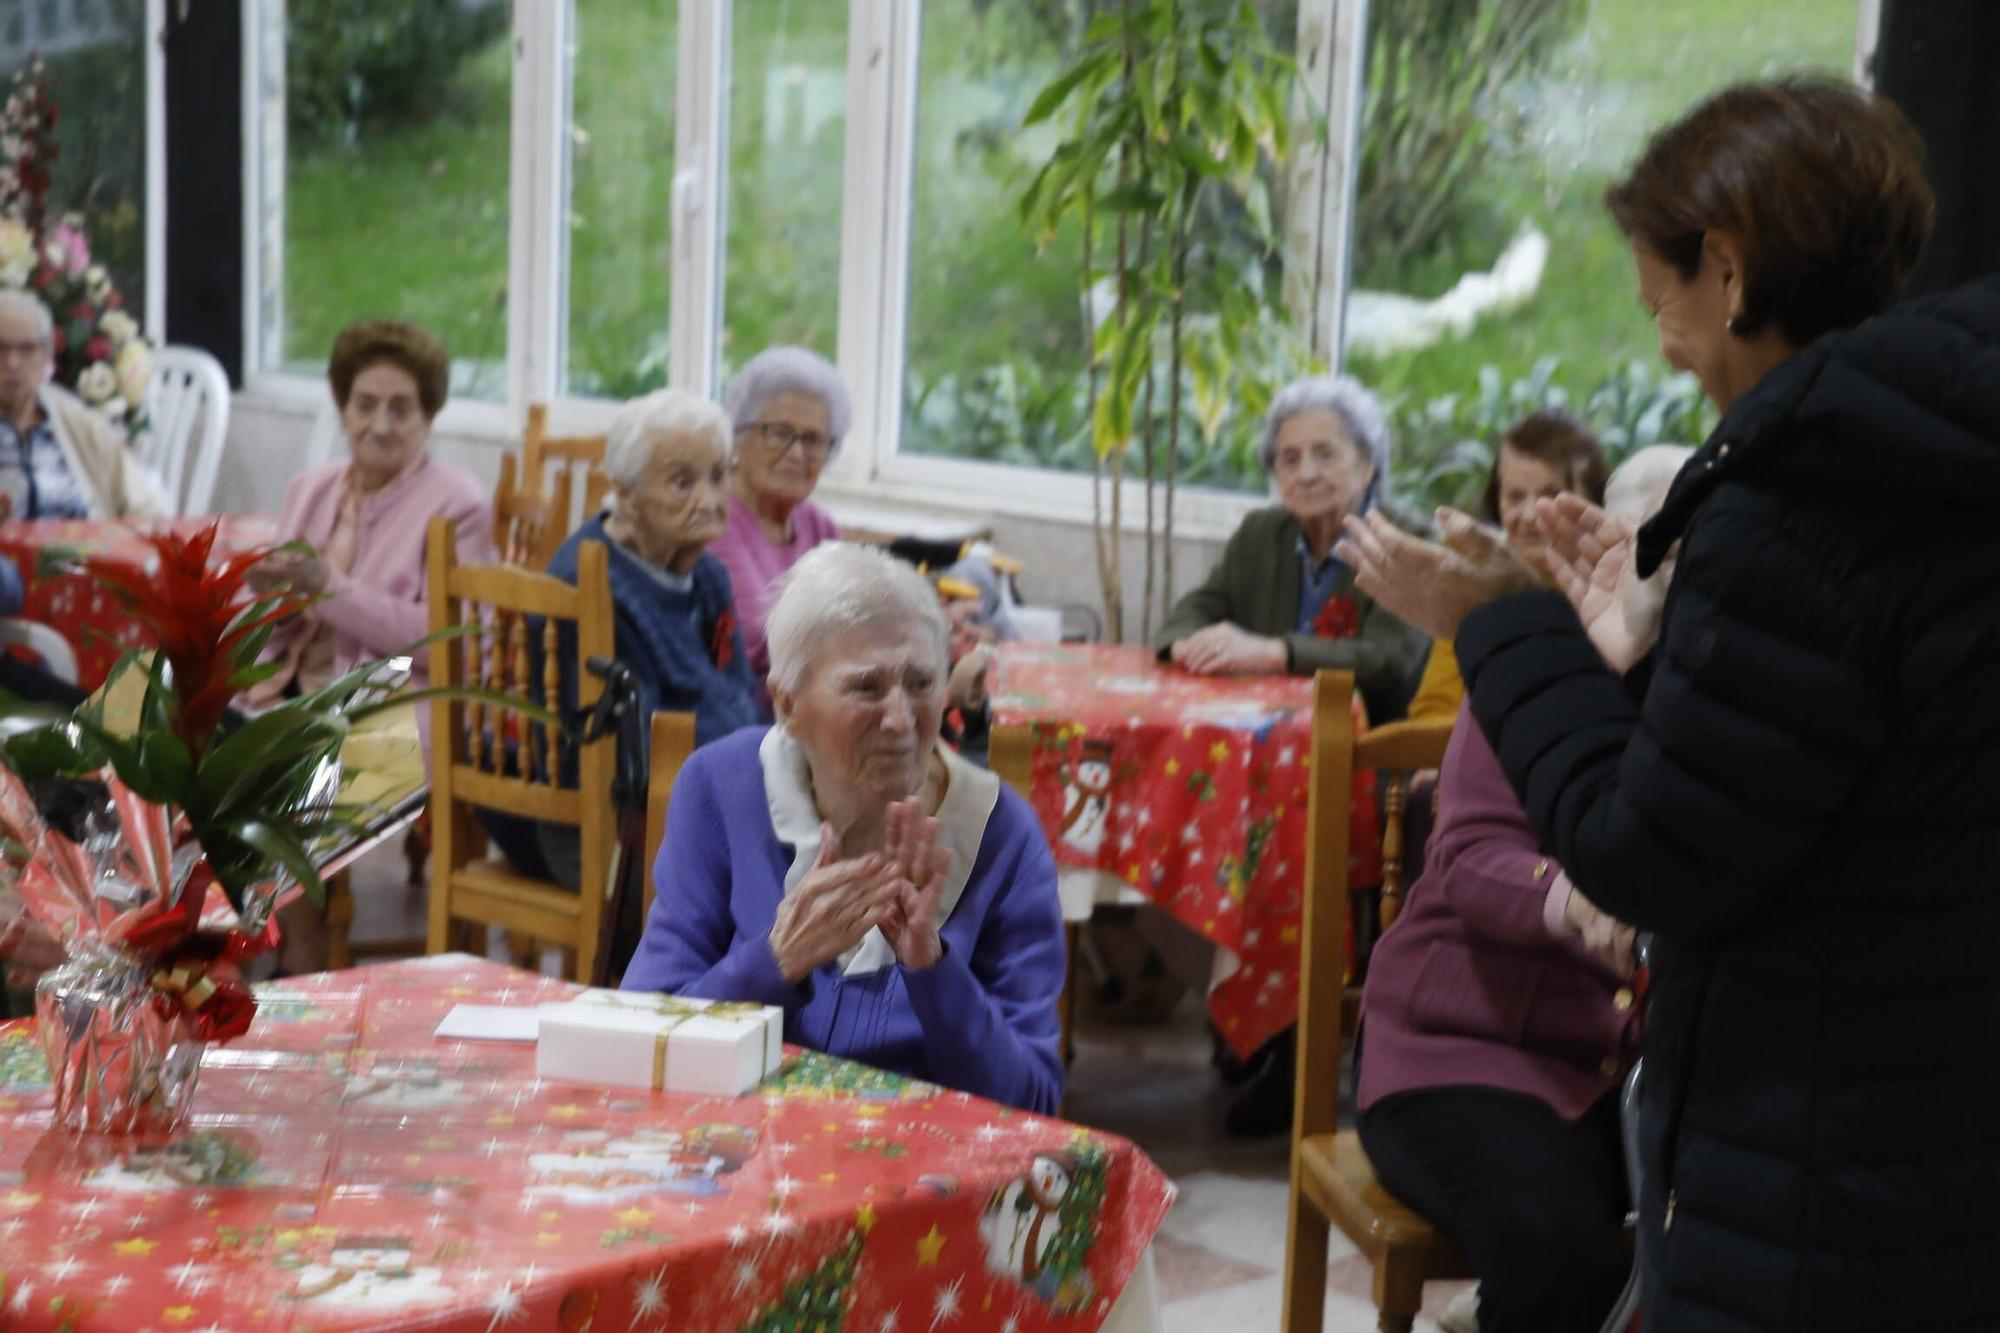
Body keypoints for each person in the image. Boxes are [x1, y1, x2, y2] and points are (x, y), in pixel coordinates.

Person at [1336, 78, 2000, 1331]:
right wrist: (1648, 658)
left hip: (1817, 1147)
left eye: (1661, 302)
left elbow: (1653, 858)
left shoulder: (1798, 500)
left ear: (1731, 272)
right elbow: (1822, 778)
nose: (1660, 345)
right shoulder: (1943, 468)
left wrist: (1500, 622)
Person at [1355, 447, 1687, 1333]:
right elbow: (1467, 856)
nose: (1681, 573)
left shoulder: (1725, 684)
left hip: (1633, 1070)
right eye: (1663, 548)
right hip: (1466, 1050)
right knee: (1558, 1255)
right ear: (1613, 550)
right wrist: (1577, 899)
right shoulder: (1551, 658)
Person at [622, 542, 1065, 1114]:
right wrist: (774, 960)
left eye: (921, 683)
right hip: (740, 1151)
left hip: (916, 1171)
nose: (902, 719)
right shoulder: (721, 786)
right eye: (866, 687)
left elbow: (1032, 1104)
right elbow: (643, 1033)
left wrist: (932, 970)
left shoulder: (1002, 837)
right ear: (787, 704)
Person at [244, 319, 494, 973]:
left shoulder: (459, 504)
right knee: (189, 747)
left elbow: (448, 643)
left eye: (401, 407)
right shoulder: (312, 488)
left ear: (429, 415)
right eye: (365, 404)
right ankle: (223, 944)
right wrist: (267, 602)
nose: (381, 423)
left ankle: (299, 948)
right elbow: (274, 626)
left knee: (287, 773)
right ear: (342, 407)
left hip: (402, 706)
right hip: (296, 693)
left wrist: (330, 587)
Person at [519, 388, 761, 888]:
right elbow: (632, 760)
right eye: (682, 483)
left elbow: (740, 700)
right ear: (626, 495)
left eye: (719, 477)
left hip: (697, 806)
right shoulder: (592, 586)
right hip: (608, 835)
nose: (712, 501)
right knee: (782, 886)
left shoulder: (709, 573)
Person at [1154, 374, 1428, 724]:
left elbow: (1387, 660)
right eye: (1290, 459)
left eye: (1325, 455)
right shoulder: (1261, 532)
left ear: (1366, 466)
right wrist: (1188, 646)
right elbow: (1197, 608)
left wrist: (1271, 653)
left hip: (1367, 748)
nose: (1307, 474)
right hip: (1259, 740)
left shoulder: (1406, 541)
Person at [1405, 409, 1608, 721]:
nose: (1528, 515)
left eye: (1550, 496)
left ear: (1594, 500)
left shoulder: (1614, 583)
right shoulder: (1473, 573)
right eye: (1514, 497)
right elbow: (1435, 706)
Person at [709, 345, 848, 696]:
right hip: (748, 723)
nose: (798, 453)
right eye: (780, 433)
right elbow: (758, 640)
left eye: (813, 439)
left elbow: (854, 612)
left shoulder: (820, 527)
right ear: (739, 437)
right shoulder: (716, 518)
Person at [0, 289, 167, 522]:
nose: (12, 363)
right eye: (1, 348)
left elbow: (146, 509)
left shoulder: (79, 424)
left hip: (81, 553)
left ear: (47, 356)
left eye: (27, 349)